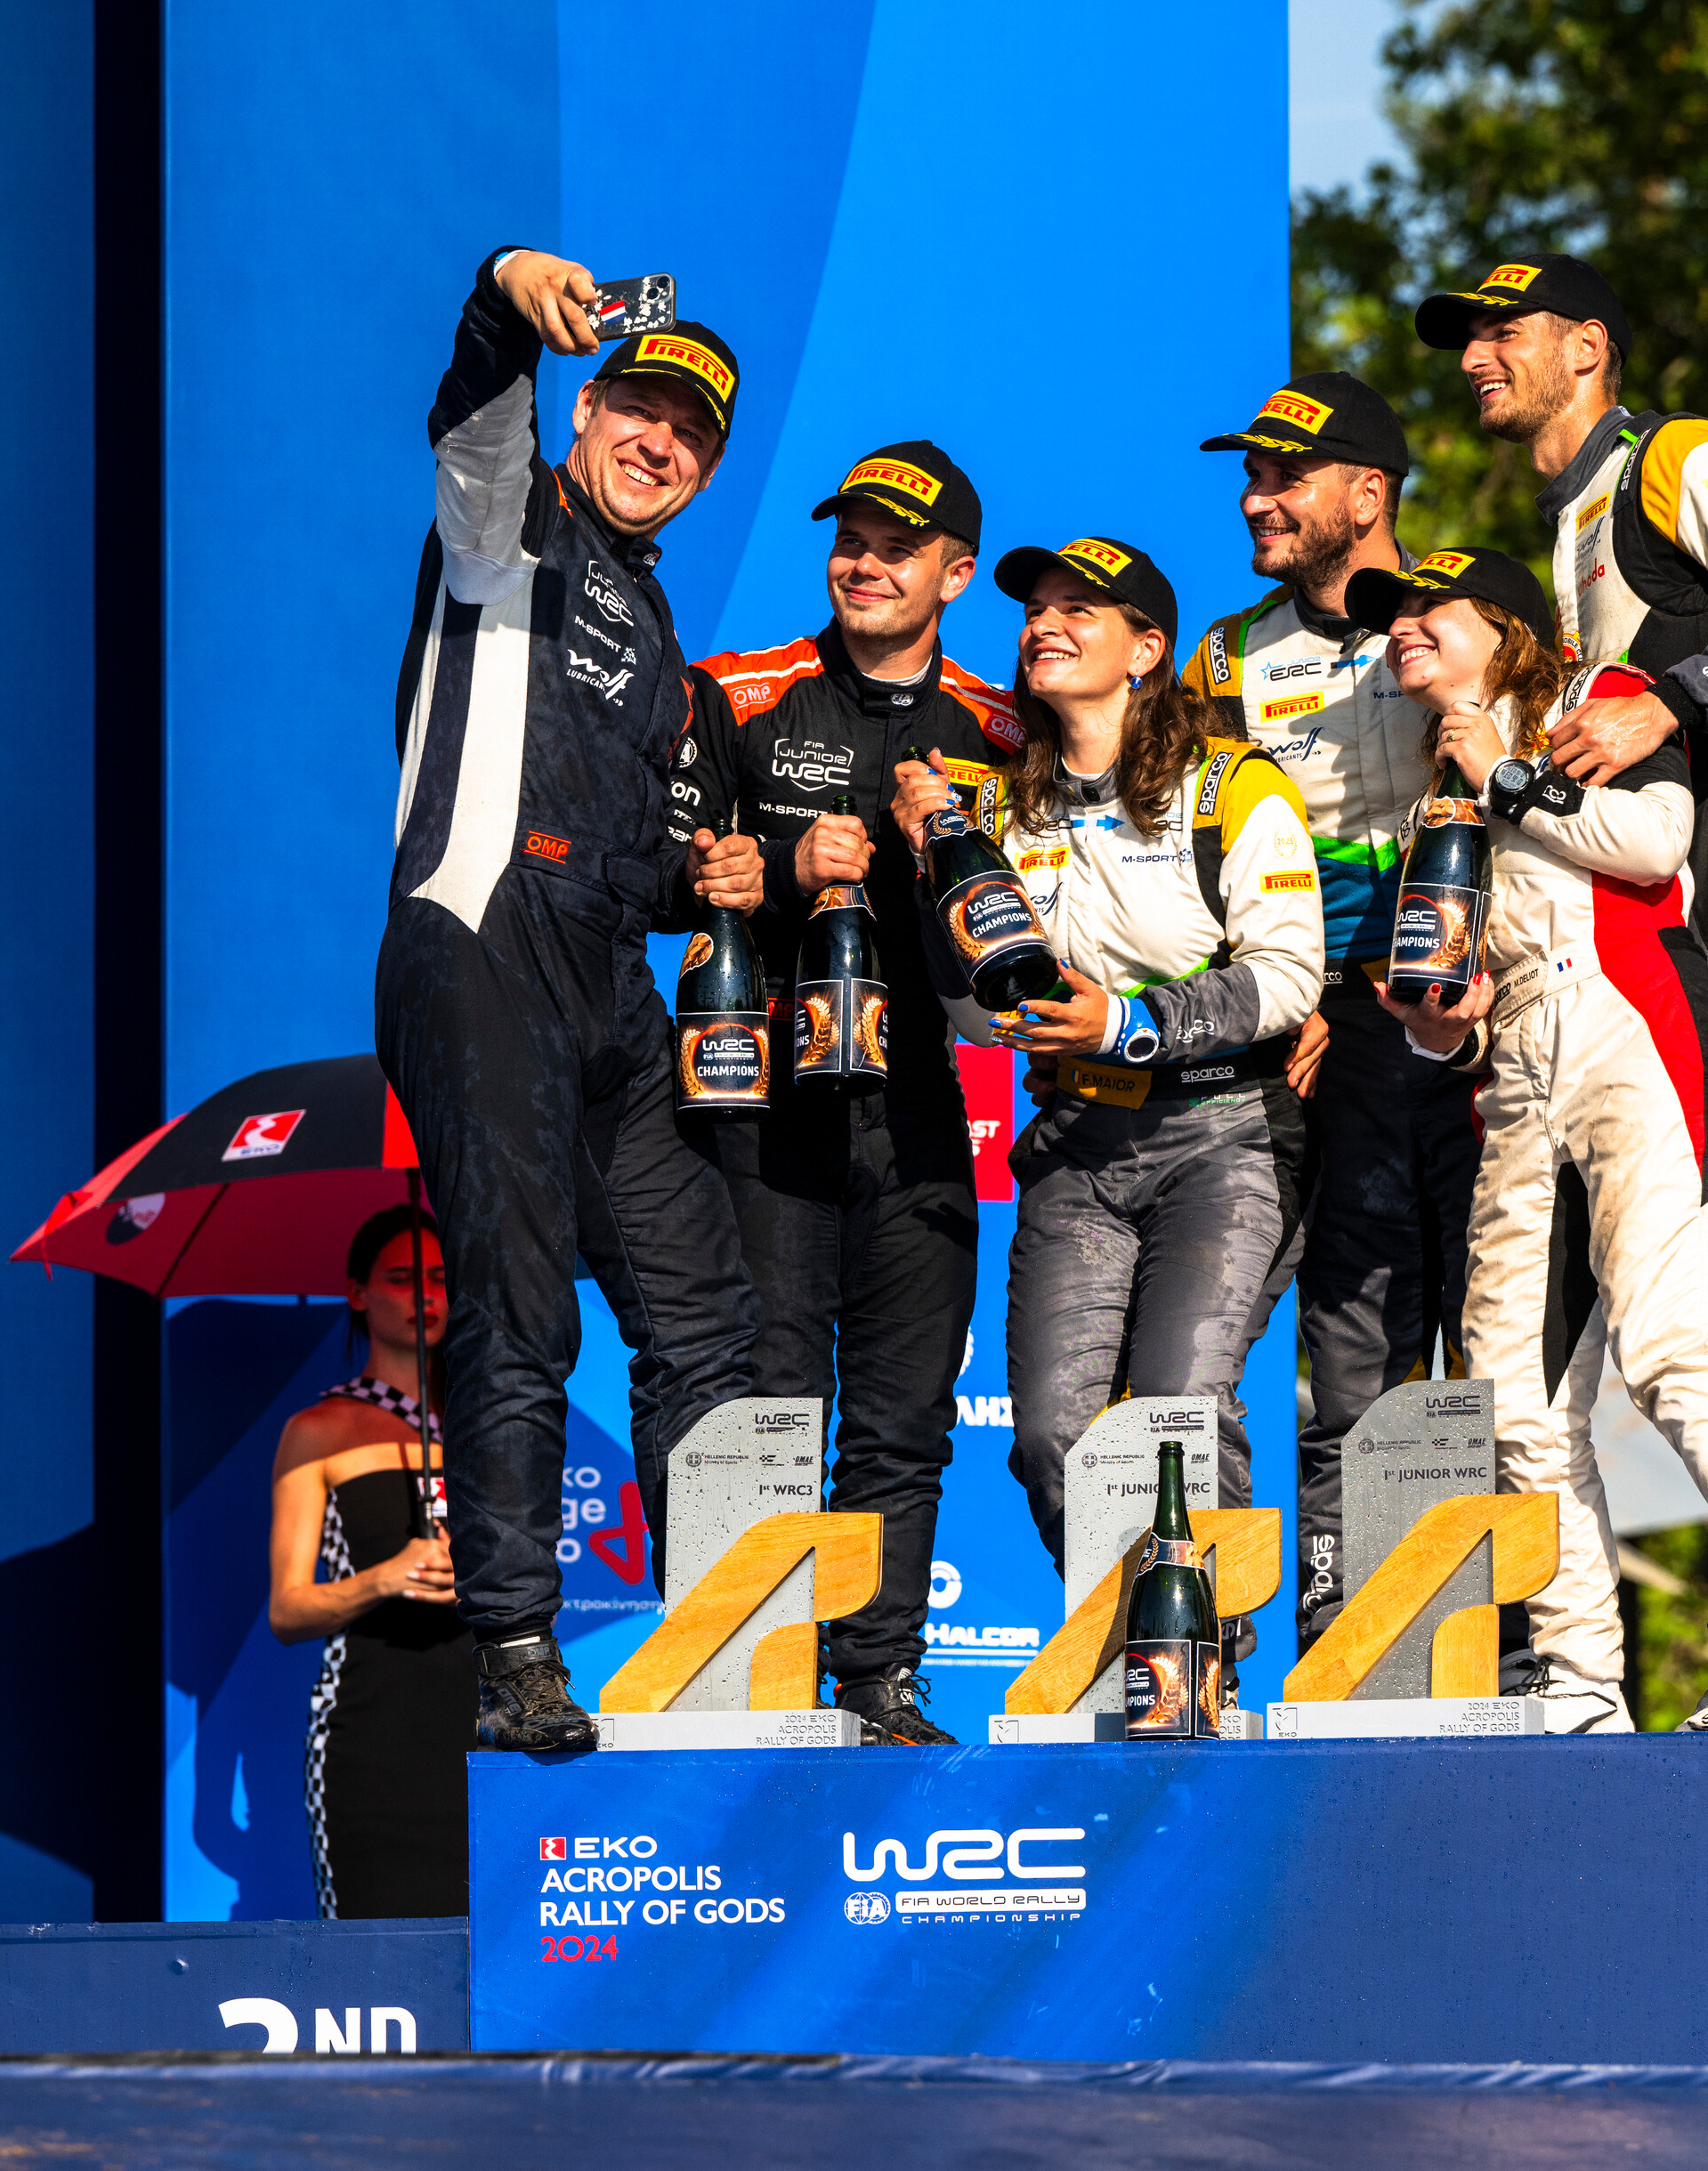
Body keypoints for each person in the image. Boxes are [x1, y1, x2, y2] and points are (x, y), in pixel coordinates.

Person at [1415, 255, 1708, 1592]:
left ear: (1588, 347)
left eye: (1505, 331)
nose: (1476, 358)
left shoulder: (1676, 456)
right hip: (1639, 902)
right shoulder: (1560, 523)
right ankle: (1597, 1639)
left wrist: (1671, 704)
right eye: (1466, 339)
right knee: (1617, 1277)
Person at [1359, 550, 1708, 1730]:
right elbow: (1464, 986)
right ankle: (1579, 1674)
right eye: (1396, 619)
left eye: (1432, 609)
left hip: (1641, 1026)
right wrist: (1439, 1029)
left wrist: (1508, 780)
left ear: (1506, 627)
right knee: (1510, 1399)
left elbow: (1653, 844)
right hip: (1519, 1069)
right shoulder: (1433, 793)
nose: (1405, 630)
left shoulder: (1601, 695)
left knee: (1671, 1339)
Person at [375, 245, 769, 1754]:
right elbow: (477, 404)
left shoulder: (664, 639)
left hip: (606, 977)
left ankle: (723, 1649)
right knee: (524, 1310)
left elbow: (641, 852)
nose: (661, 444)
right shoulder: (507, 523)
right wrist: (502, 289)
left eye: (693, 436)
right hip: (481, 935)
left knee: (706, 1312)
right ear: (588, 410)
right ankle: (515, 1655)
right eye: (641, 410)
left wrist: (704, 877)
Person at [895, 537, 1322, 1657]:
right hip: (1078, 1145)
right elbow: (976, 1014)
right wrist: (935, 865)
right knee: (1052, 1438)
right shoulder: (1002, 805)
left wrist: (1127, 1023)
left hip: (1224, 1134)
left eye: (1079, 609)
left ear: (1145, 650)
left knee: (1180, 1415)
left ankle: (1197, 1668)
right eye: (1036, 608)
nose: (1045, 624)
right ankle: (1150, 1636)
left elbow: (1287, 977)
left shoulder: (1232, 783)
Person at [686, 444, 1023, 1746]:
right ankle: (759, 1680)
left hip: (924, 1103)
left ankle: (880, 1682)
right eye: (851, 540)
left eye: (898, 547)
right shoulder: (741, 692)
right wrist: (779, 865)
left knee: (904, 1413)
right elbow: (667, 869)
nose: (865, 563)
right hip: (766, 1098)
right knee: (767, 1403)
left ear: (956, 573)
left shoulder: (1002, 730)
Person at [1182, 374, 1480, 1649]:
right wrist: (1280, 990)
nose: (1258, 498)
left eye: (1285, 476)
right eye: (1251, 476)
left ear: (1369, 493)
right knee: (1349, 1326)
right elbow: (1193, 855)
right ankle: (1345, 1614)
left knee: (1498, 1322)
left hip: (1473, 1014)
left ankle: (1513, 1627)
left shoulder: (1467, 614)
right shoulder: (1223, 655)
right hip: (1322, 1024)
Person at [270, 1208, 467, 1914]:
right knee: (374, 1957)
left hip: (488, 1736)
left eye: (440, 1278)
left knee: (497, 1964)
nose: (425, 1297)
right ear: (358, 1293)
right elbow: (288, 1609)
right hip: (373, 1741)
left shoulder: (491, 1427)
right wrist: (386, 1577)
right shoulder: (320, 1430)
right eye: (402, 1278)